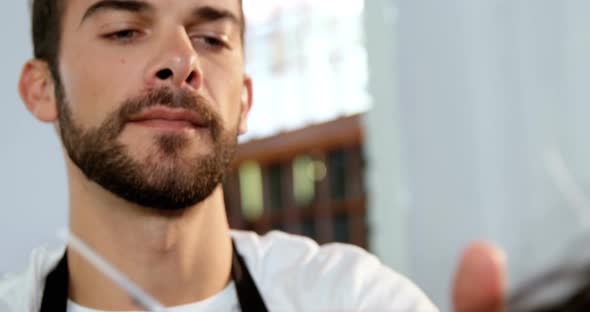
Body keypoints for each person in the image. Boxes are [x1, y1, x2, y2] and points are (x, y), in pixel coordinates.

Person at [0, 0, 437, 311]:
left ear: (244, 101)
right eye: (124, 32)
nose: (181, 58)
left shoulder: (351, 299)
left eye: (210, 38)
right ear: (43, 89)